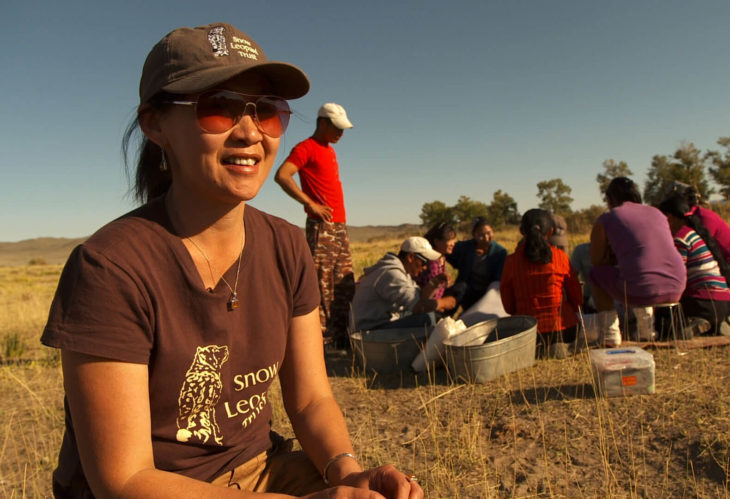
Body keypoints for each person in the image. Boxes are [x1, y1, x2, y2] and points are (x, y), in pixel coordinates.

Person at [40, 23, 422, 499]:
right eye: (217, 108)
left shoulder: (285, 247)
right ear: (156, 124)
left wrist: (345, 472)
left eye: (267, 112)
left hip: (260, 472)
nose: (249, 133)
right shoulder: (110, 267)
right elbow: (125, 480)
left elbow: (309, 398)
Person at [275, 103, 355, 349]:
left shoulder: (329, 150)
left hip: (339, 225)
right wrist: (310, 203)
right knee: (322, 281)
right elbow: (282, 175)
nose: (341, 133)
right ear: (322, 123)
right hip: (322, 226)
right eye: (337, 128)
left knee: (344, 281)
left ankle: (341, 334)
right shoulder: (306, 148)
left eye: (343, 129)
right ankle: (321, 340)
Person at [589, 177, 686, 347]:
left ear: (610, 199)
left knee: (595, 275)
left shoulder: (608, 218)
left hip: (641, 291)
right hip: (677, 285)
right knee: (637, 271)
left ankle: (610, 335)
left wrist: (611, 257)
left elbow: (596, 260)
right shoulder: (657, 212)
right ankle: (646, 330)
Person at [500, 209, 582, 357]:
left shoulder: (511, 262)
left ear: (521, 231)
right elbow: (577, 299)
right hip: (564, 330)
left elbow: (509, 307)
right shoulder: (560, 257)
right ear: (550, 232)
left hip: (527, 333)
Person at [659, 195, 730, 336]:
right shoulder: (695, 235)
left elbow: (677, 278)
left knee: (662, 319)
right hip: (723, 303)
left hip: (701, 302)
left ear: (669, 217)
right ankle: (716, 324)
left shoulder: (680, 238)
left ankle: (691, 325)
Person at [351, 237, 457, 331]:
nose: (425, 267)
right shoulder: (392, 274)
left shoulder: (401, 272)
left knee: (431, 316)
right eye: (424, 262)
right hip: (368, 331)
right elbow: (418, 307)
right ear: (411, 257)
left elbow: (419, 299)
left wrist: (434, 283)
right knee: (429, 319)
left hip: (378, 325)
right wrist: (444, 303)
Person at [446, 217, 507, 311]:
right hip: (467, 290)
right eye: (481, 235)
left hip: (488, 292)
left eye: (488, 233)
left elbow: (498, 279)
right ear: (474, 235)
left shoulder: (500, 252)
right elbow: (447, 251)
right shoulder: (465, 247)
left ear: (493, 232)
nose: (486, 237)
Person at [415, 222, 457, 299]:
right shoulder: (430, 261)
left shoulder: (442, 257)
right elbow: (429, 293)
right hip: (426, 302)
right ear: (437, 241)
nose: (453, 244)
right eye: (449, 240)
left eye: (453, 240)